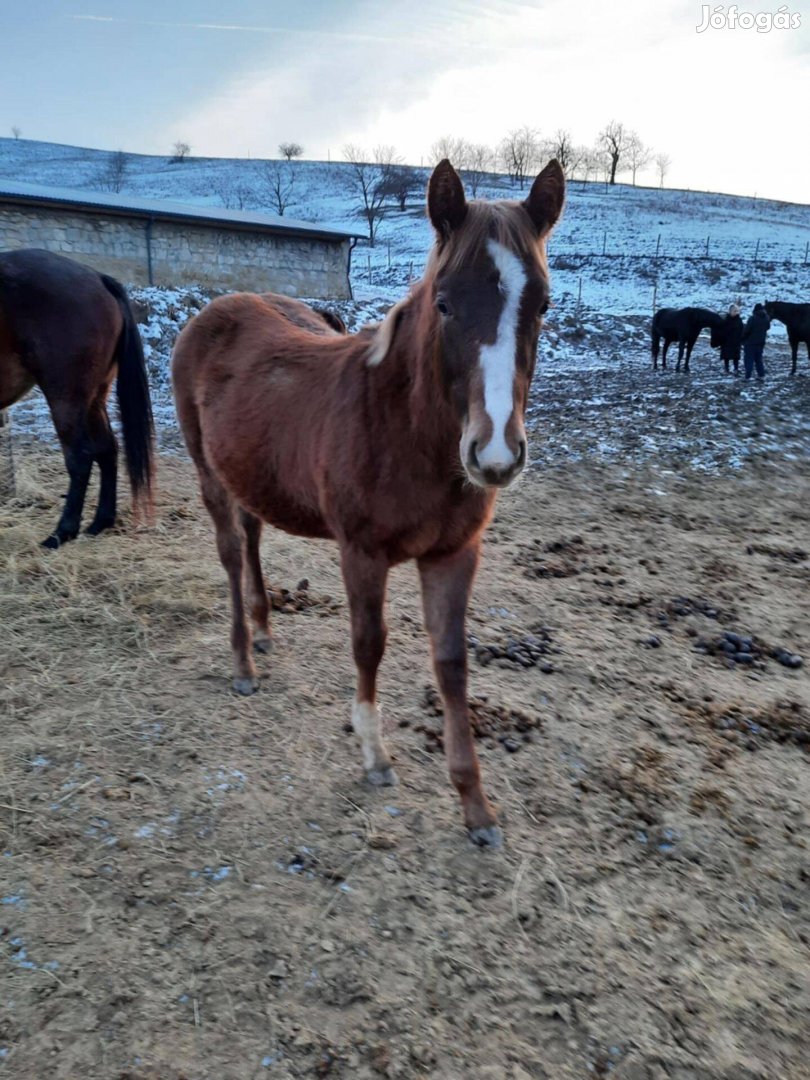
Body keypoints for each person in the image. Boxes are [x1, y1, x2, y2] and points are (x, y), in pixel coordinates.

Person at [741, 303, 770, 380]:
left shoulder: (752, 318)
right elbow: (768, 328)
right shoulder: (766, 318)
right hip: (761, 342)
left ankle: (748, 376)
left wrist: (742, 339)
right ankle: (761, 375)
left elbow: (747, 331)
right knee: (758, 360)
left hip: (750, 343)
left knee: (749, 360)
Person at [720, 303, 744, 374]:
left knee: (735, 357)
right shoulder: (726, 319)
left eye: (736, 311)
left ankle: (736, 369)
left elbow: (741, 330)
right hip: (726, 341)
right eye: (733, 311)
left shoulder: (739, 320)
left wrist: (740, 340)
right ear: (730, 311)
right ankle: (726, 369)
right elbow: (722, 330)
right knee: (726, 356)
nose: (735, 312)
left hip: (736, 341)